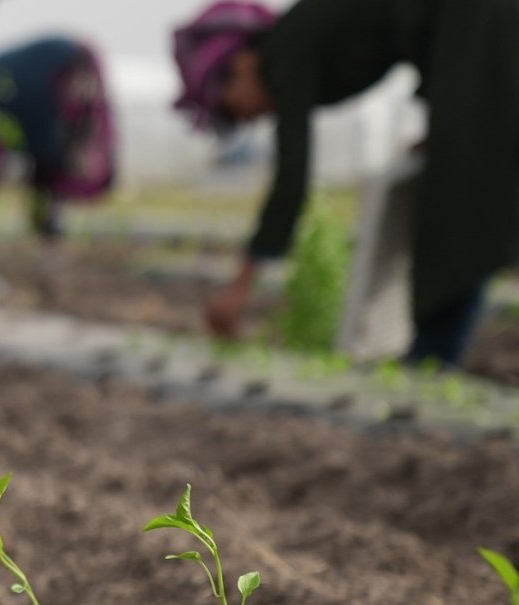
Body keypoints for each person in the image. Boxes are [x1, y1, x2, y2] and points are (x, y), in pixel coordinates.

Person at [174, 0, 519, 366]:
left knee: (459, 196)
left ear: (242, 63)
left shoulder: (282, 54)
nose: (245, 118)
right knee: (463, 180)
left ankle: (433, 356)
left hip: (475, 18)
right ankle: (433, 352)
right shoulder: (298, 37)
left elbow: (292, 175)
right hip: (468, 28)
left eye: (229, 108)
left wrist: (241, 284)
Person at [0, 36, 117, 240]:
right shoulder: (36, 86)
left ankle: (47, 222)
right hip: (30, 116)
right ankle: (45, 222)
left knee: (53, 165)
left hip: (43, 124)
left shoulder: (70, 94)